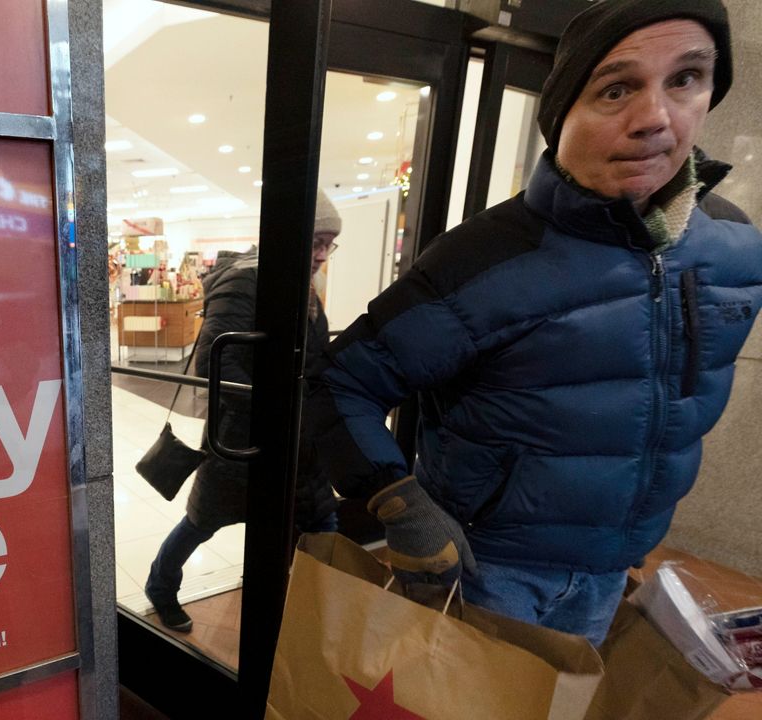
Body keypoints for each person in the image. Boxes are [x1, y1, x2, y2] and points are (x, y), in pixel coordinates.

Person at [307, 0, 762, 646]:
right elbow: (339, 382)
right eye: (616, 88)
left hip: (612, 570)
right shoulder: (485, 261)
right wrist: (399, 505)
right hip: (487, 570)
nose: (656, 117)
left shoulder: (736, 250)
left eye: (686, 78)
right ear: (562, 113)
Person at [144, 196, 343, 632]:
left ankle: (304, 607)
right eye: (315, 241)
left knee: (320, 519)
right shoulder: (244, 282)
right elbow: (218, 365)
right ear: (288, 234)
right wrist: (284, 407)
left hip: (296, 441)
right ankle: (160, 588)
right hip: (242, 440)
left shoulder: (302, 288)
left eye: (330, 244)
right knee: (202, 522)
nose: (322, 254)